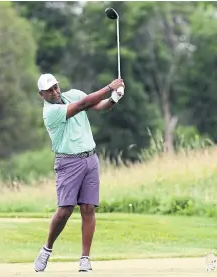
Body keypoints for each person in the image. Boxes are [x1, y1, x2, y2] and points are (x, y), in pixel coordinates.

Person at [33, 73, 125, 272]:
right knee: (65, 210)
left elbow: (100, 106)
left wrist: (114, 98)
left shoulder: (73, 94)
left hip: (90, 159)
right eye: (49, 90)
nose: (55, 91)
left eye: (55, 86)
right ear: (42, 94)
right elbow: (83, 104)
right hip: (68, 162)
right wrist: (109, 87)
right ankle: (47, 248)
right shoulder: (51, 112)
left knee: (88, 208)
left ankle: (85, 258)